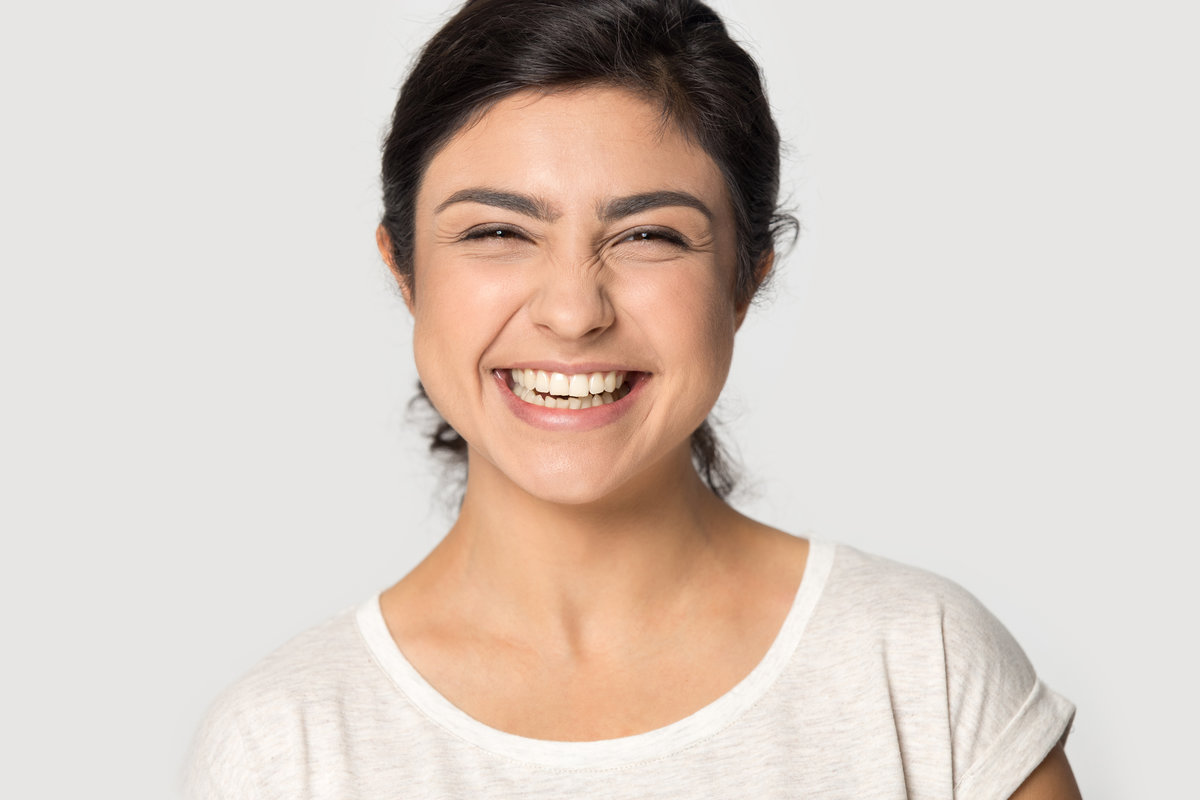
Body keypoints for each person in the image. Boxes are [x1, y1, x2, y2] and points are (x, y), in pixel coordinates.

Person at [185, 0, 1080, 797]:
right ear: (405, 272)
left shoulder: (923, 670)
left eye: (649, 235)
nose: (573, 312)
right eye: (498, 232)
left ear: (746, 279)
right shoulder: (285, 747)